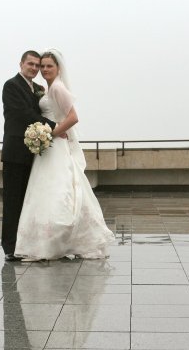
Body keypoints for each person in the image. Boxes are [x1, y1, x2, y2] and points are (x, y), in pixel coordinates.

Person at [15, 49, 115, 260]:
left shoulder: (58, 88)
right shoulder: (47, 88)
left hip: (56, 144)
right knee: (47, 189)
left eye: (49, 66)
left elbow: (73, 117)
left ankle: (59, 239)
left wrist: (51, 133)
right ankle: (49, 241)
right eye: (42, 66)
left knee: (59, 188)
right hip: (50, 146)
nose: (44, 69)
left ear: (58, 68)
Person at [1, 50, 56, 261]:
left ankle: (27, 244)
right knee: (13, 201)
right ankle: (10, 248)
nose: (34, 68)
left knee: (30, 201)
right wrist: (55, 127)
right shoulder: (11, 86)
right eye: (30, 64)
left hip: (34, 153)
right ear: (21, 64)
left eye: (37, 65)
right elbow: (24, 114)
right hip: (15, 153)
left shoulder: (39, 89)